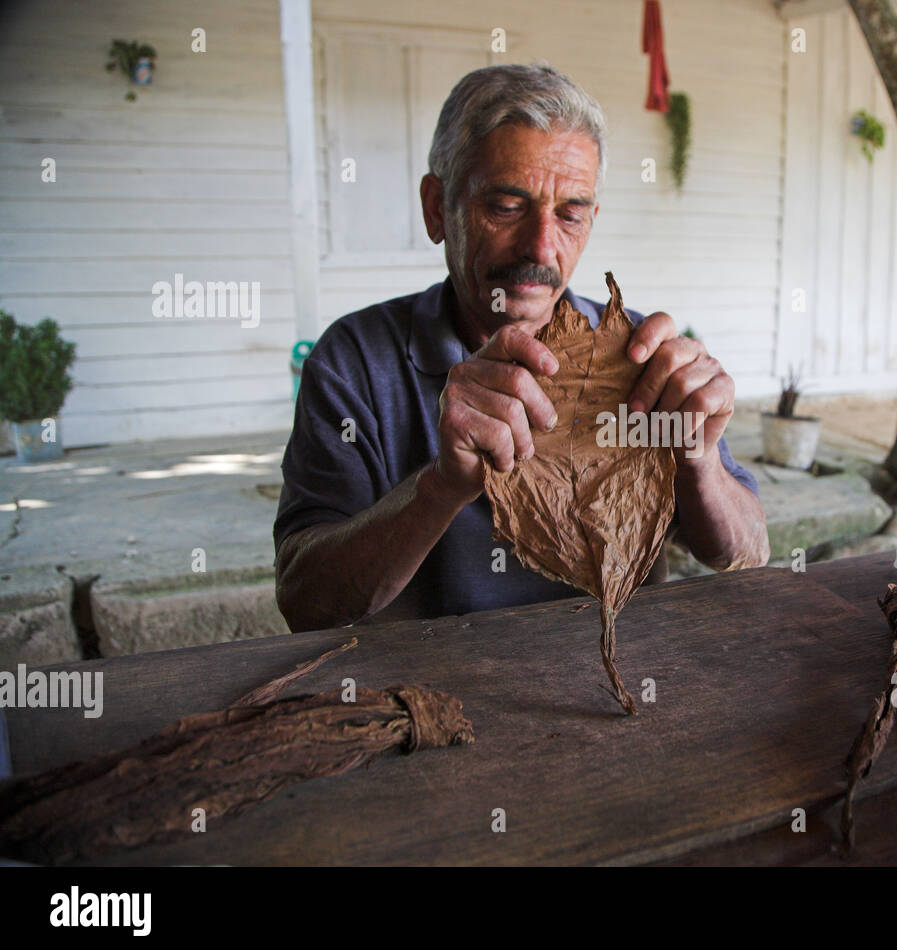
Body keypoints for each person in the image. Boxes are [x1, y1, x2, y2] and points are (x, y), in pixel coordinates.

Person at [273, 63, 769, 633]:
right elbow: (304, 602)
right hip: (421, 698)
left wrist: (697, 460)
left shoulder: (637, 360)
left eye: (570, 214)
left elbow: (748, 552)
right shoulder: (354, 362)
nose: (540, 246)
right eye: (506, 207)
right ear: (438, 208)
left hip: (609, 689)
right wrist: (440, 488)